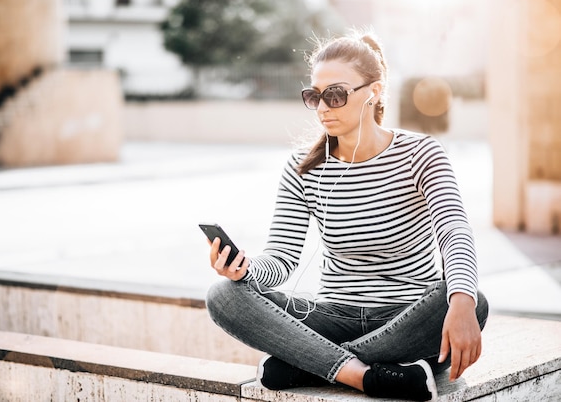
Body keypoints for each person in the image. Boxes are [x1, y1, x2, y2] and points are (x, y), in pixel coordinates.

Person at [205, 29, 488, 402]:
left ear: (373, 91)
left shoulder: (421, 154)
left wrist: (462, 300)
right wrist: (244, 269)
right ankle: (364, 374)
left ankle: (307, 363)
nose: (323, 108)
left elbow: (454, 232)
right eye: (314, 96)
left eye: (335, 95)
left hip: (406, 313)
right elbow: (281, 258)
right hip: (332, 317)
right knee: (224, 296)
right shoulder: (302, 168)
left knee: (473, 299)